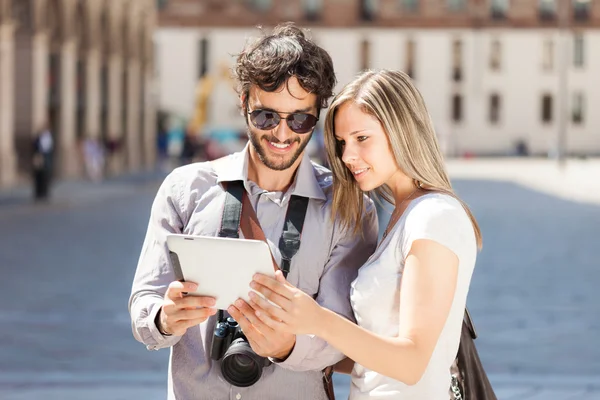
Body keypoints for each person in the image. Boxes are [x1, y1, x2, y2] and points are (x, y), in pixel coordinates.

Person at [128, 23, 378, 400]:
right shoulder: (184, 189)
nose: (281, 134)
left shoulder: (350, 207)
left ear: (317, 115)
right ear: (243, 101)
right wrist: (165, 318)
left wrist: (285, 345)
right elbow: (144, 302)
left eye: (300, 119)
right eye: (266, 117)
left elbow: (346, 331)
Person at [248, 70, 483, 399]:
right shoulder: (404, 216)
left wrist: (318, 320)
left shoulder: (434, 217)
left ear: (401, 130)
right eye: (343, 143)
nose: (347, 156)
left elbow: (412, 363)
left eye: (362, 138)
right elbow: (375, 358)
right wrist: (289, 342)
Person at [31, 125, 54, 201]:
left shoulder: (49, 138)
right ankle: (39, 193)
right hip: (39, 159)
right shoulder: (38, 138)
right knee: (38, 176)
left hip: (46, 159)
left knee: (46, 176)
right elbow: (35, 147)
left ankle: (44, 192)